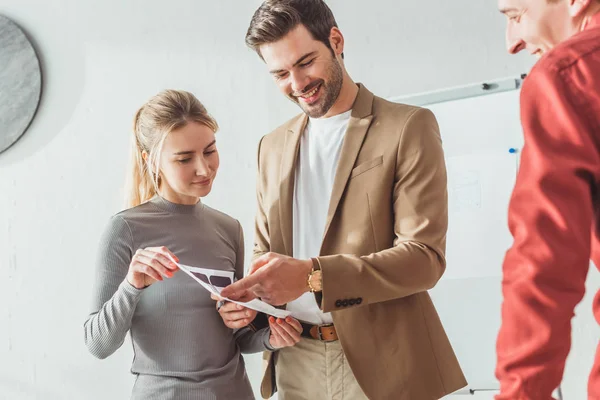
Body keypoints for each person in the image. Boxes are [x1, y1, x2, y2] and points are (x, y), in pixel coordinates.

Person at [217, 1, 467, 399]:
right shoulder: (272, 146)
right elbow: (267, 255)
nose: (297, 83)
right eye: (280, 73)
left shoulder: (407, 127)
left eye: (305, 62)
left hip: (384, 364)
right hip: (294, 359)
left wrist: (312, 275)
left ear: (335, 40)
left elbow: (424, 258)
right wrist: (253, 304)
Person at [83, 89, 301, 400]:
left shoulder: (228, 228)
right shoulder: (126, 229)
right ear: (151, 161)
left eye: (210, 151)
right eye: (185, 158)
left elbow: (236, 336)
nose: (204, 168)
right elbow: (98, 345)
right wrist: (132, 285)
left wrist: (270, 337)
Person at [494, 1, 600, 399]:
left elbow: (542, 262)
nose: (512, 43)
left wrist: (521, 392)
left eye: (516, 15)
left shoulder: (568, 75)